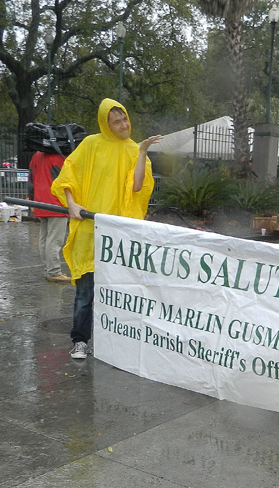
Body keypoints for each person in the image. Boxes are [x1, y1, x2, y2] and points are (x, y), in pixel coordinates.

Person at [51, 99, 162, 360]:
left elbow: (136, 187)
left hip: (119, 236)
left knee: (119, 291)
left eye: (125, 119)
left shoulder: (135, 149)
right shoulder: (91, 145)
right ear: (106, 124)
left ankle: (115, 341)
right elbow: (69, 174)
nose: (124, 125)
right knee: (86, 292)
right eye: (116, 122)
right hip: (91, 231)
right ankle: (80, 340)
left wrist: (143, 151)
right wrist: (72, 204)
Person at [28, 150, 71, 282]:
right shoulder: (60, 156)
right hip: (57, 203)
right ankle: (54, 272)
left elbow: (31, 178)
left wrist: (32, 199)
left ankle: (48, 269)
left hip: (40, 202)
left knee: (45, 238)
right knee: (54, 240)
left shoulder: (36, 155)